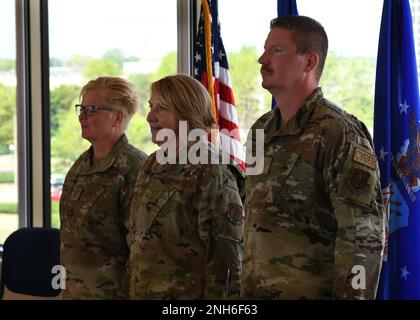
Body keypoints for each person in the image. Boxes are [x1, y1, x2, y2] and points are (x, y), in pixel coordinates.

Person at [241, 16, 386, 300]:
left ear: (309, 62)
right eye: (265, 49)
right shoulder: (261, 130)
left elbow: (362, 238)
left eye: (276, 51)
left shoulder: (339, 132)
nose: (262, 59)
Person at [127, 74, 244, 299]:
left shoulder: (211, 168)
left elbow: (227, 261)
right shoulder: (152, 163)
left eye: (162, 109)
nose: (150, 116)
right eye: (151, 107)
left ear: (186, 114)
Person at [60, 76, 147, 299]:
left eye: (91, 109)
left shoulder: (135, 168)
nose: (81, 116)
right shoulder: (81, 165)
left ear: (117, 117)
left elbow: (141, 249)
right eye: (81, 108)